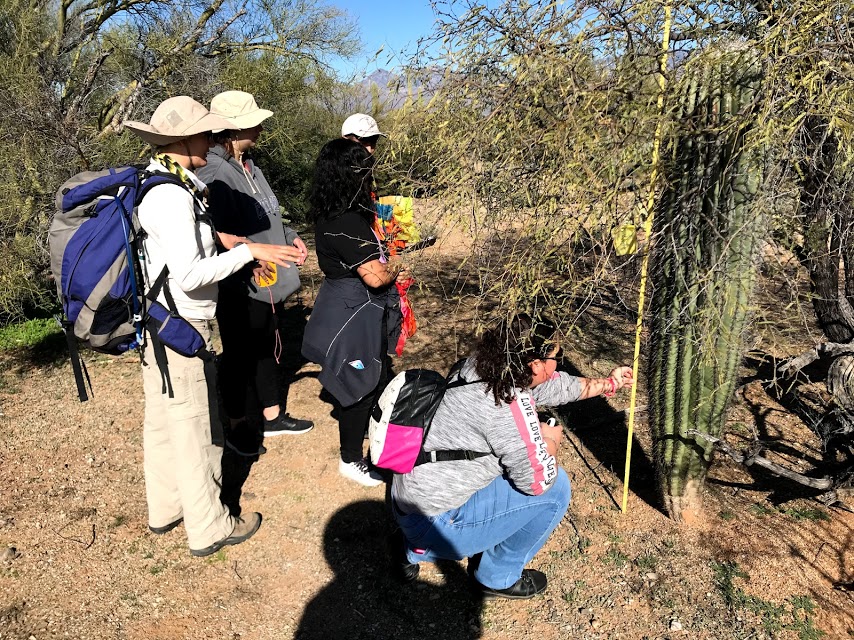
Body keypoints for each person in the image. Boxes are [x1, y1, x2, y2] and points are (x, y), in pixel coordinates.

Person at [123, 96, 303, 556]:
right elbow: (190, 274)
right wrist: (249, 252)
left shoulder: (164, 185)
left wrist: (231, 243)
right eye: (206, 132)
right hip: (179, 325)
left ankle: (165, 509)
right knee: (192, 428)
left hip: (159, 323)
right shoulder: (170, 196)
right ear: (183, 140)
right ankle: (210, 527)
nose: (213, 139)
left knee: (163, 423)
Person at [391, 314, 634, 598]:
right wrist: (550, 441)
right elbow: (538, 482)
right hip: (438, 522)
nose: (558, 364)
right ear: (535, 364)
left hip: (409, 500)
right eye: (556, 357)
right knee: (556, 489)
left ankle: (412, 549)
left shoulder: (479, 366)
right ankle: (496, 576)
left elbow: (554, 386)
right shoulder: (507, 405)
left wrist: (609, 384)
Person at [197, 90, 313, 457]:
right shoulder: (215, 173)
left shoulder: (250, 166)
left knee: (264, 345)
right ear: (232, 130)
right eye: (254, 122)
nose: (261, 127)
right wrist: (250, 257)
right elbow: (215, 233)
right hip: (239, 282)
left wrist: (292, 237)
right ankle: (236, 427)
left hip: (265, 279)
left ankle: (272, 415)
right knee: (237, 354)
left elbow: (269, 214)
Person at [301, 138, 407, 487]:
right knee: (358, 383)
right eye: (366, 172)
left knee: (369, 375)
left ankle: (363, 438)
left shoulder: (336, 214)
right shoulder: (346, 221)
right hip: (353, 311)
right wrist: (397, 266)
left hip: (349, 305)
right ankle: (350, 459)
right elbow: (375, 277)